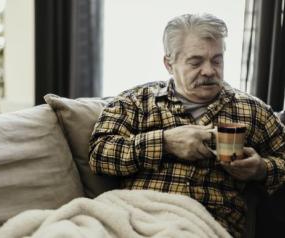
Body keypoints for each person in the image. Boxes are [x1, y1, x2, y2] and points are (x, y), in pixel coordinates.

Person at [89, 13, 285, 238]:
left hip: (206, 225)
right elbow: (99, 154)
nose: (209, 70)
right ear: (169, 64)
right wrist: (165, 143)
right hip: (135, 215)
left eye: (217, 60)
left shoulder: (252, 110)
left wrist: (261, 169)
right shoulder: (135, 102)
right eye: (196, 62)